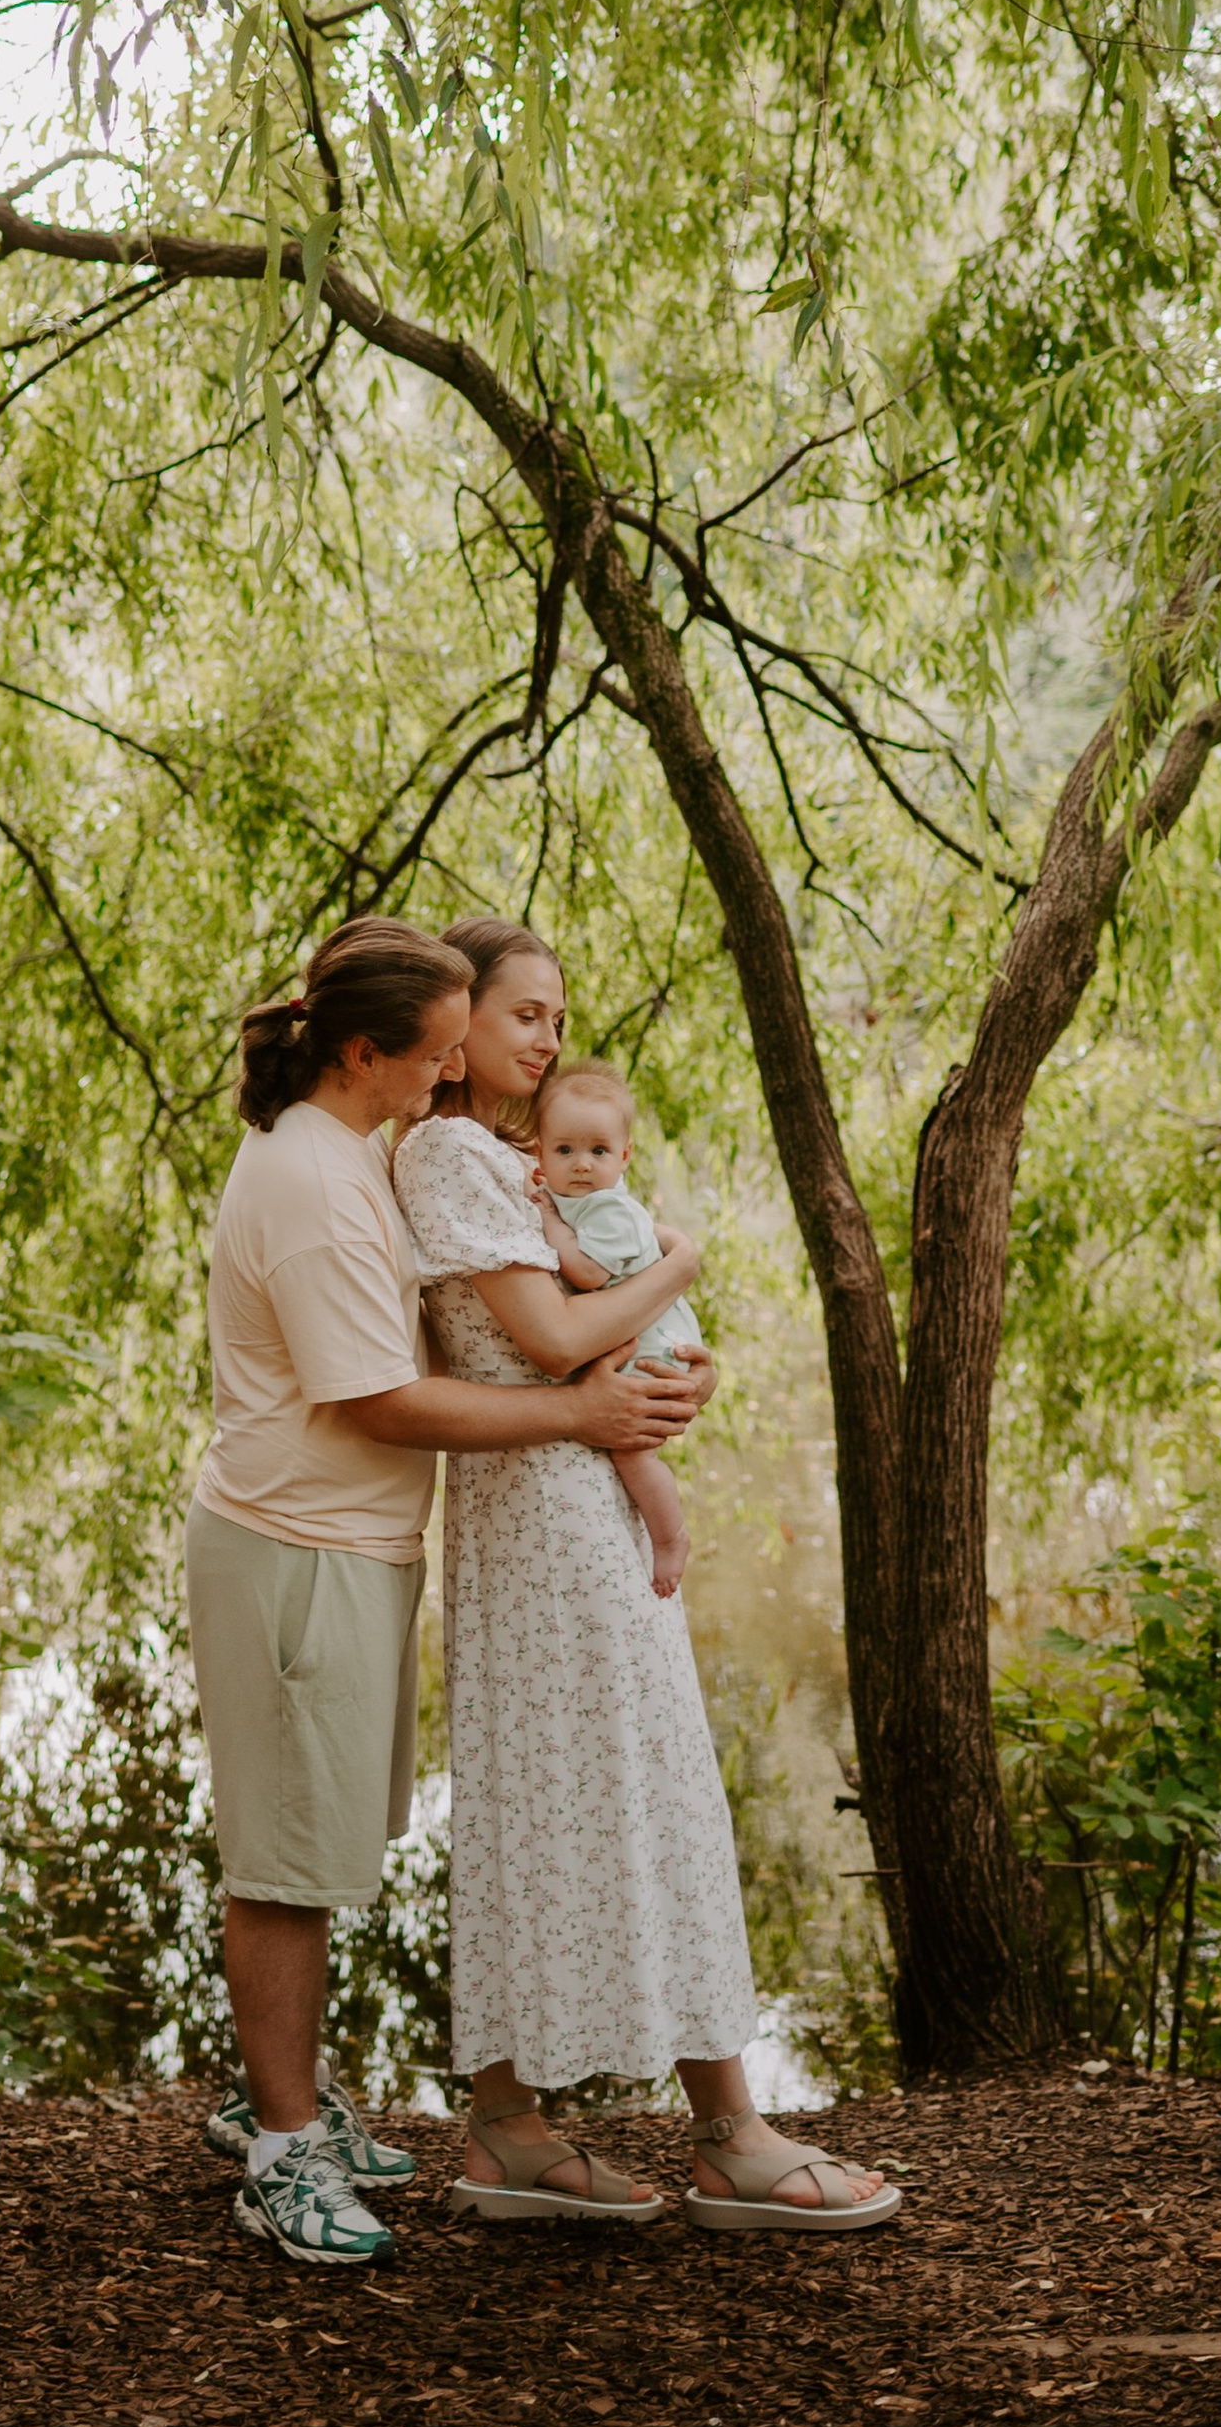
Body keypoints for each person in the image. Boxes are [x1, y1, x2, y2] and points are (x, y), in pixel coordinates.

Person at [184, 912, 705, 2269]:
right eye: (432, 1051)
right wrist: (583, 1418)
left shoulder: (342, 1150)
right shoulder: (308, 1184)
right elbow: (383, 1400)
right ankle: (283, 2151)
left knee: (319, 1842)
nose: (451, 1069)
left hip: (343, 1546)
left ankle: (287, 2105)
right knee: (286, 1865)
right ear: (367, 1052)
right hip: (299, 1543)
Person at [393, 913, 902, 2235]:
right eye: (523, 1015)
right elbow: (553, 1330)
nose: (549, 1036)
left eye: (559, 1016)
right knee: (624, 1782)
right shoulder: (451, 1153)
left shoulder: (520, 1162)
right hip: (547, 1512)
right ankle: (718, 2133)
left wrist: (682, 1360)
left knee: (587, 1792)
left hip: (570, 1501)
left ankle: (522, 2124)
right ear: (455, 1031)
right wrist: (677, 1268)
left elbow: (591, 1327)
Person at [530, 1056, 709, 1597]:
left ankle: (671, 1535)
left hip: (652, 1345)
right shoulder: (572, 1197)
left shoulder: (608, 1209)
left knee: (633, 1452)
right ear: (540, 1151)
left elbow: (586, 1273)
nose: (582, 1164)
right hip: (635, 1336)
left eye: (599, 1152)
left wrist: (549, 1224)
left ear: (624, 1156)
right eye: (565, 1151)